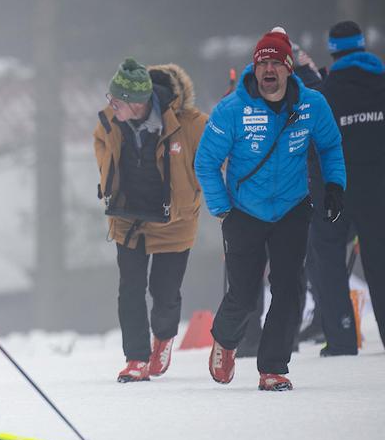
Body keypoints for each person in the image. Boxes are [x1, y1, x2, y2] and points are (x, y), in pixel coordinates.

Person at [194, 27, 347, 391]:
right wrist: (222, 209)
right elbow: (205, 162)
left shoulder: (312, 104)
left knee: (289, 289)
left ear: (289, 69)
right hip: (243, 211)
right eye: (263, 62)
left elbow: (330, 146)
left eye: (277, 63)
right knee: (244, 293)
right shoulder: (232, 108)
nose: (269, 69)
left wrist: (335, 186)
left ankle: (273, 367)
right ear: (255, 69)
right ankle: (226, 340)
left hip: (292, 208)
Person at [93, 59, 207, 383]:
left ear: (138, 103)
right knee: (130, 289)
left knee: (164, 291)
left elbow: (217, 153)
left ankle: (164, 335)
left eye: (116, 102)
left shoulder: (190, 123)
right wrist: (108, 181)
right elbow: (100, 143)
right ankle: (136, 359)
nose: (110, 107)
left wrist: (199, 186)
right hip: (128, 218)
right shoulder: (110, 123)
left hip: (174, 220)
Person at [306, 20, 385, 353]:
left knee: (328, 261)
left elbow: (312, 144)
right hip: (378, 191)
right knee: (380, 262)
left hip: (334, 190)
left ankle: (340, 338)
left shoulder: (326, 92)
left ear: (333, 50)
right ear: (363, 45)